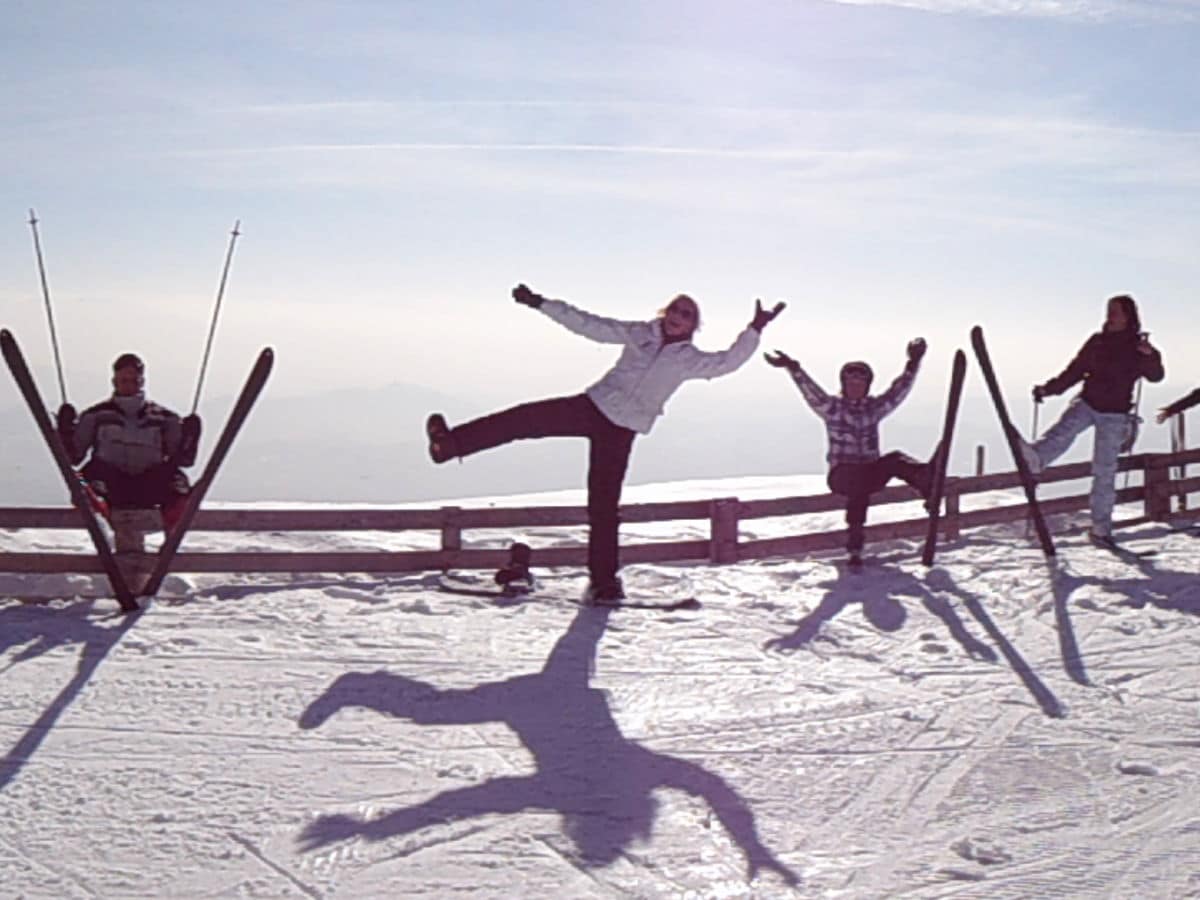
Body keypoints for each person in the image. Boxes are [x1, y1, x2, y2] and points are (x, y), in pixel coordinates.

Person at [426, 284, 786, 604]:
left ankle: (604, 582)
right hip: (592, 406)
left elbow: (726, 362)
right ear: (664, 313)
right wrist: (541, 303)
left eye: (687, 314)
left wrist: (755, 329)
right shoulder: (638, 334)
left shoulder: (689, 361)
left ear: (694, 325)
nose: (678, 317)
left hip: (621, 430)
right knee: (523, 419)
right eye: (675, 309)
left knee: (603, 506)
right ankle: (451, 445)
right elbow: (589, 325)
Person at [764, 338, 933, 568]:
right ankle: (855, 545)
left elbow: (898, 392)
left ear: (867, 385)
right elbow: (811, 392)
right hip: (842, 475)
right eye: (850, 381)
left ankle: (926, 481)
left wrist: (913, 363)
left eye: (860, 382)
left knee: (894, 459)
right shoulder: (833, 408)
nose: (855, 386)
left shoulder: (874, 408)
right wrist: (794, 368)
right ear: (843, 383)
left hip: (869, 472)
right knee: (857, 483)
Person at [1015, 294, 1164, 547]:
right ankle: (1037, 458)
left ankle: (1101, 530)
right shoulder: (1097, 342)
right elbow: (1074, 371)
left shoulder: (1138, 347)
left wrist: (1149, 355)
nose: (1110, 315)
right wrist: (1047, 390)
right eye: (1109, 310)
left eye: (1115, 311)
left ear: (1128, 315)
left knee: (1104, 472)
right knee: (1063, 433)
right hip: (1089, 402)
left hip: (1115, 414)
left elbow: (1156, 376)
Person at [55, 352, 201, 523]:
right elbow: (73, 456)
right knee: (91, 473)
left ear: (142, 382)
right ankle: (95, 506)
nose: (129, 385)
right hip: (111, 484)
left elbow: (182, 460)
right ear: (114, 381)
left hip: (149, 484)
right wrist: (65, 432)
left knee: (174, 476)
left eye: (134, 380)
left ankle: (177, 511)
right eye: (124, 380)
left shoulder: (164, 418)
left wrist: (190, 438)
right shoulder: (96, 416)